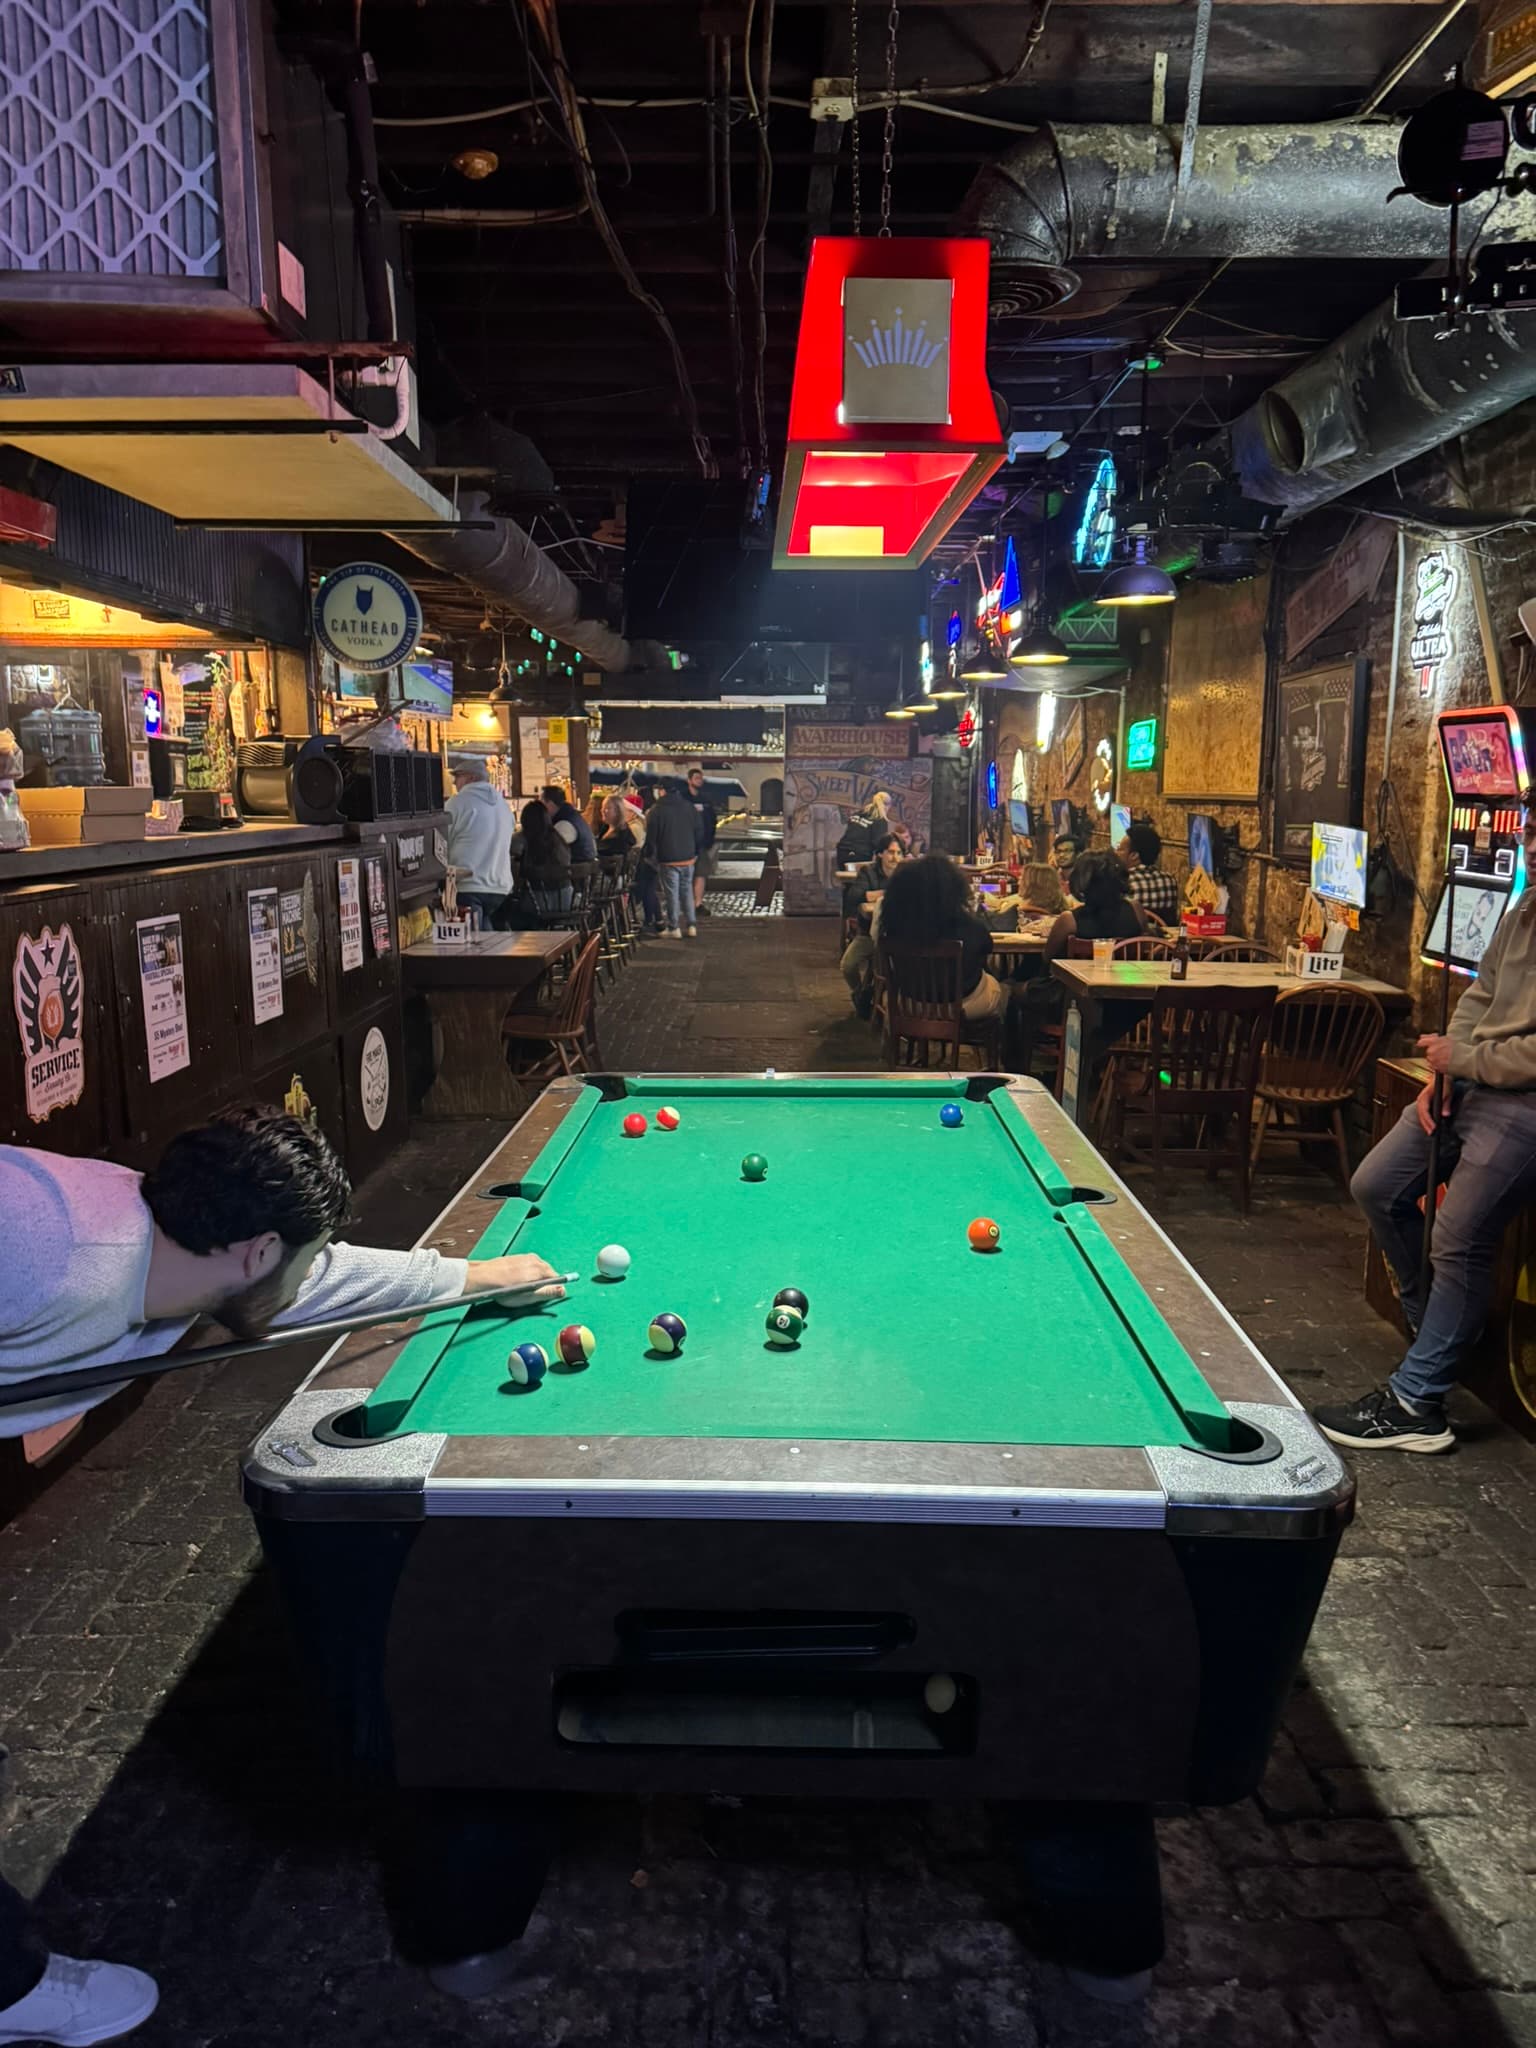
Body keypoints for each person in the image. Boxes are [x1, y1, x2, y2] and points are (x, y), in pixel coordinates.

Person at [0, 1107, 563, 2041]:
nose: (315, 1269)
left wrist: (476, 1278)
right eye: (305, 1254)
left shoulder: (175, 1248)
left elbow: (320, 1279)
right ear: (260, 1249)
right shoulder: (48, 1247)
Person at [1317, 852, 1536, 1455]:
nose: (1535, 849)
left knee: (1459, 1239)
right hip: (1470, 1084)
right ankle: (1434, 1333)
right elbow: (1479, 997)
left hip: (1526, 1107)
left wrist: (1463, 1062)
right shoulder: (1524, 910)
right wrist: (1443, 1076)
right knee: (1376, 1185)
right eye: (1534, 833)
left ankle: (1418, 1403)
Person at [877, 854, 1004, 1023]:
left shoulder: (895, 928)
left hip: (908, 1004)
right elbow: (986, 946)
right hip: (960, 1007)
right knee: (1001, 990)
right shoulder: (967, 925)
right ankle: (997, 1046)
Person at [839, 830, 903, 1018]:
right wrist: (884, 894)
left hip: (898, 936)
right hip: (869, 933)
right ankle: (861, 994)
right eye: (891, 852)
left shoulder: (905, 873)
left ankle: (895, 1007)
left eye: (898, 853)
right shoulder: (869, 872)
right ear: (880, 854)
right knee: (848, 965)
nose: (895, 857)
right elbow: (854, 897)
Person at [443, 757, 513, 928]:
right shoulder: (503, 806)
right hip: (500, 888)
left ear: (470, 778)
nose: (455, 783)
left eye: (457, 777)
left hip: (468, 885)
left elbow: (441, 842)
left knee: (473, 946)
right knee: (486, 940)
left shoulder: (457, 803)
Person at [596, 792, 660, 934]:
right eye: (602, 808)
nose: (603, 811)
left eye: (607, 808)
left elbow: (605, 856)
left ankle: (597, 930)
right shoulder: (608, 829)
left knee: (582, 894)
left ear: (618, 811)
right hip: (616, 879)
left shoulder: (621, 834)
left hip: (612, 880)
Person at [642, 781, 700, 938]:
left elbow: (651, 837)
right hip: (688, 856)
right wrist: (695, 851)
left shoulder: (657, 810)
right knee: (687, 890)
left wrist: (648, 854)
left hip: (668, 858)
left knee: (671, 893)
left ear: (662, 791)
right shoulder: (688, 807)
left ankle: (674, 927)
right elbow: (698, 830)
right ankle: (691, 925)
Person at [507, 799, 573, 923]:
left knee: (507, 909)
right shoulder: (559, 840)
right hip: (566, 899)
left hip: (536, 903)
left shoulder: (519, 840)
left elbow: (514, 877)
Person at [1117, 822, 1180, 928]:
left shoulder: (1123, 882)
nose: (1116, 852)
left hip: (1130, 943)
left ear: (1134, 856)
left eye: (1120, 849)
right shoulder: (1170, 881)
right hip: (1165, 943)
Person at [687, 767, 719, 920]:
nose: (699, 781)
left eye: (700, 778)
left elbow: (712, 820)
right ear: (690, 780)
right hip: (686, 844)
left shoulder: (706, 800)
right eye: (696, 778)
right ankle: (687, 902)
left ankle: (697, 903)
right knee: (687, 875)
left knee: (701, 874)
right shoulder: (684, 800)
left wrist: (709, 839)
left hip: (701, 844)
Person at [541, 783, 597, 863]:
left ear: (549, 804)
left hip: (576, 871)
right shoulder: (571, 815)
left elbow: (549, 849)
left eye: (541, 803)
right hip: (584, 869)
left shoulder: (564, 823)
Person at [835, 790, 892, 869]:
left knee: (847, 878)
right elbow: (879, 844)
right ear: (888, 806)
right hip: (859, 855)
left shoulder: (859, 813)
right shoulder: (880, 819)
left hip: (842, 853)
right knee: (859, 879)